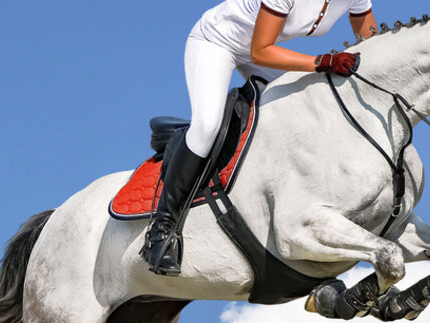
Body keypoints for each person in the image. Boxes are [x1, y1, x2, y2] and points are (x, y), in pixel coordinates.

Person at [142, 0, 378, 276]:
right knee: (207, 126)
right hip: (218, 42)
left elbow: (371, 43)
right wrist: (322, 62)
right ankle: (162, 230)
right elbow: (261, 50)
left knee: (313, 105)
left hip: (260, 50)